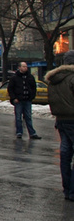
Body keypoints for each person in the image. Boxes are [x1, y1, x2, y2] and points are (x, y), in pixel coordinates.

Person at [45, 50, 74, 201]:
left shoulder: (54, 79)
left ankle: (67, 189)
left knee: (65, 154)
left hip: (61, 120)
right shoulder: (72, 78)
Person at [7, 61, 41, 139]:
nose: (25, 68)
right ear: (19, 67)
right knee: (18, 118)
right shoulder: (14, 77)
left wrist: (31, 97)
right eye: (23, 66)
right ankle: (19, 132)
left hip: (27, 100)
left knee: (28, 117)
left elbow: (33, 88)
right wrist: (14, 98)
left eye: (26, 66)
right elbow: (10, 89)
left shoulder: (30, 77)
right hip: (18, 101)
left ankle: (32, 133)